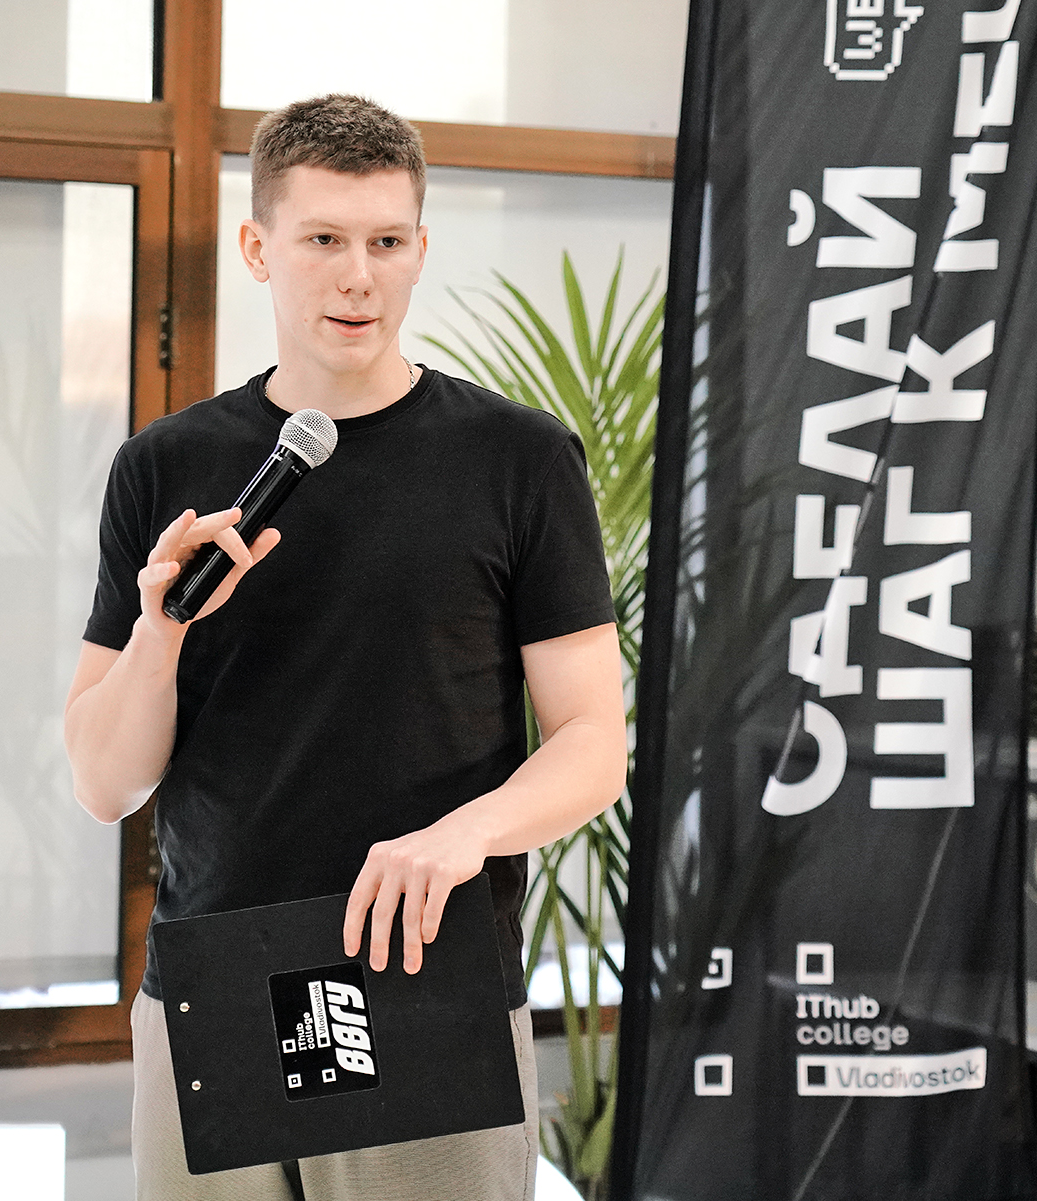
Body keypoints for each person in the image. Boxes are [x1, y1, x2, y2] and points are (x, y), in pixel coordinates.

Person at [62, 94, 626, 1201]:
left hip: (425, 970)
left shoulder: (518, 459)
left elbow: (593, 742)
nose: (357, 276)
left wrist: (464, 835)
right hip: (213, 985)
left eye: (386, 242)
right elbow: (103, 784)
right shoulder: (164, 467)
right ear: (258, 249)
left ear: (420, 250)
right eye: (323, 238)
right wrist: (159, 633)